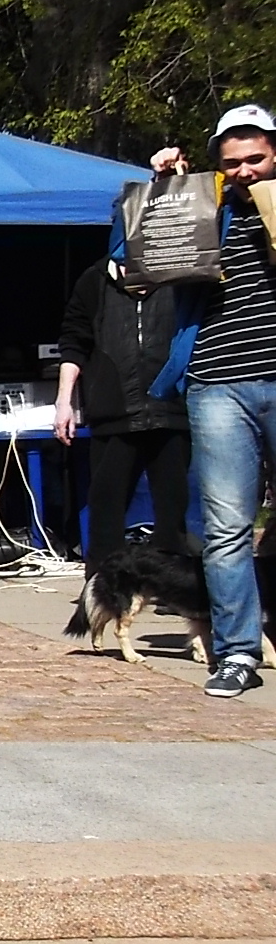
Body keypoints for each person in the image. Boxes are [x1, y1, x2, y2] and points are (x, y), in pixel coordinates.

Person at [147, 104, 276, 696]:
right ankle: (237, 652)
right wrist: (163, 188)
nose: (246, 170)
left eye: (257, 159)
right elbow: (130, 255)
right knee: (226, 528)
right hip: (218, 381)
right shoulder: (205, 206)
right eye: (233, 163)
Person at [54, 257, 190, 560]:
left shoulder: (177, 272)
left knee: (173, 512)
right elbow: (74, 343)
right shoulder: (94, 280)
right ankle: (102, 582)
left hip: (170, 409)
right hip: (114, 411)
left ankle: (172, 580)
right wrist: (64, 401)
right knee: (106, 509)